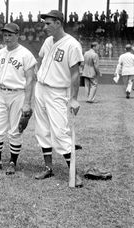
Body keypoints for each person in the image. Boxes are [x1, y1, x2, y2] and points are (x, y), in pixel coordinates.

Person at [34, 10, 84, 187]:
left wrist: (74, 98)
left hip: (57, 91)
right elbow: (41, 59)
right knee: (42, 130)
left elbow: (75, 74)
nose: (44, 27)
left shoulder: (72, 44)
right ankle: (48, 168)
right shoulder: (48, 41)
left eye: (48, 23)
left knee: (60, 132)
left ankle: (73, 173)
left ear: (58, 23)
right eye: (44, 23)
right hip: (41, 88)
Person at [0, 23, 36, 174]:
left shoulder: (26, 54)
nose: (7, 38)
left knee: (15, 131)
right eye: (5, 35)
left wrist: (27, 103)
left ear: (17, 35)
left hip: (18, 94)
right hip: (1, 93)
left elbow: (30, 80)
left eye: (10, 35)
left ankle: (12, 162)